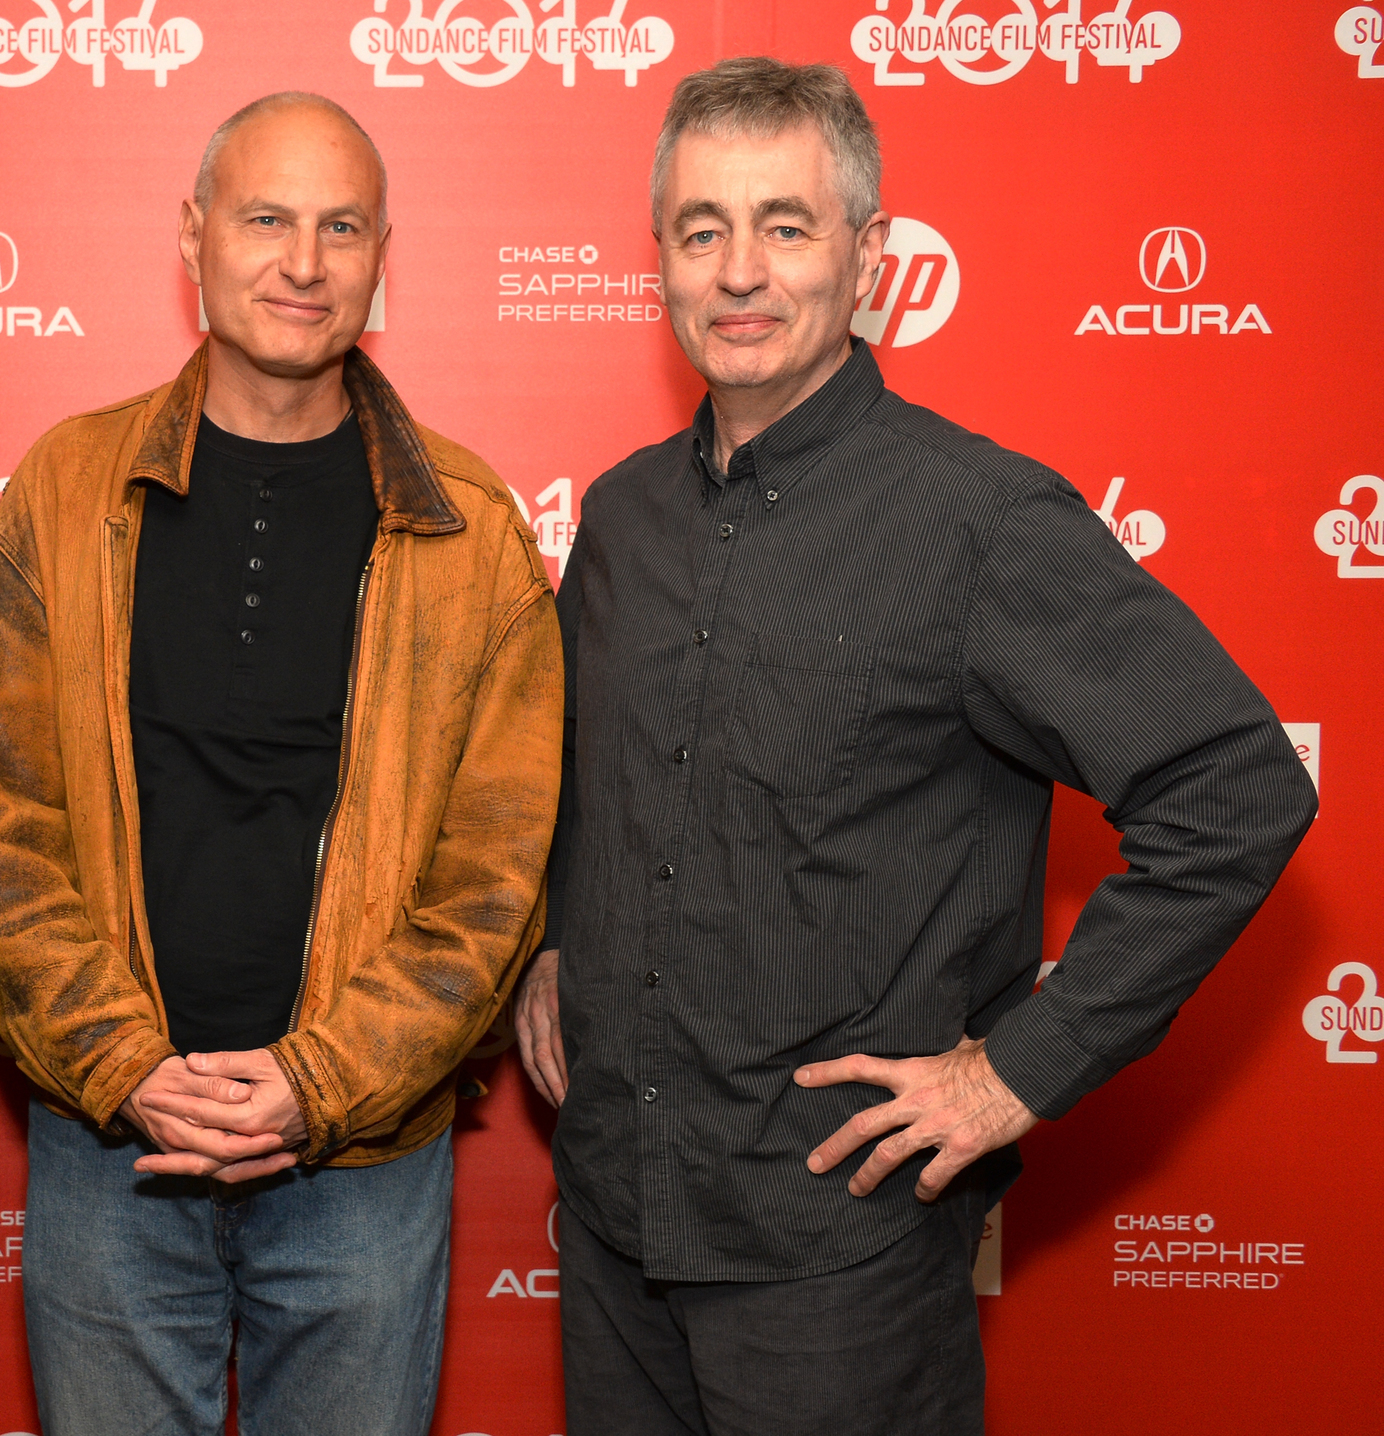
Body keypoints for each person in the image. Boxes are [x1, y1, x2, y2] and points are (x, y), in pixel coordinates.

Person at [512, 57, 1317, 1436]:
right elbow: (591, 780)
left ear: (869, 256)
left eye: (786, 223)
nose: (741, 272)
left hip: (839, 1263)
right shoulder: (624, 518)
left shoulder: (979, 525)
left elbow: (1235, 788)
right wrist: (549, 942)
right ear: (660, 261)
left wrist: (1017, 1068)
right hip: (615, 1226)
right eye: (702, 229)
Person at [0, 92, 562, 1436]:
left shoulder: (473, 530)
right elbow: (4, 828)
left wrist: (320, 1083)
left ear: (382, 252)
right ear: (194, 235)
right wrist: (122, 1064)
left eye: (343, 227)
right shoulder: (63, 491)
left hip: (361, 1165)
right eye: (269, 218)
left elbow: (494, 875)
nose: (306, 261)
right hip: (113, 1147)